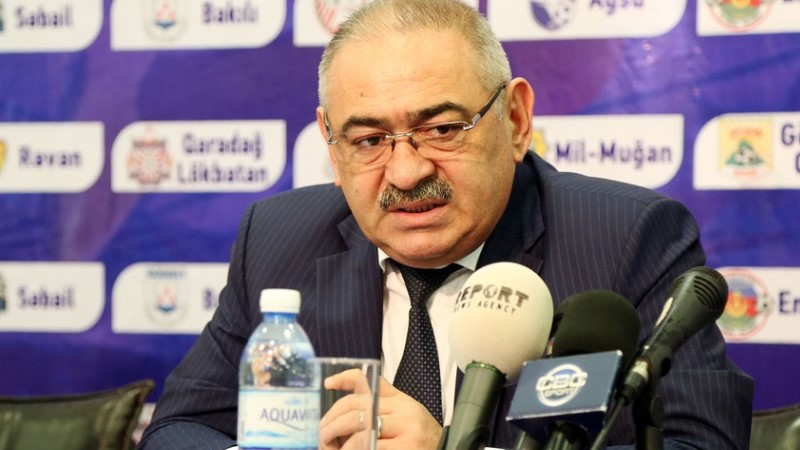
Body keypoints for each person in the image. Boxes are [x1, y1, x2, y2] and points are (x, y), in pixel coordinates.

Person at [138, 0, 754, 449]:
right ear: (332, 144)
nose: (406, 172)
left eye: (441, 129)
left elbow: (702, 444)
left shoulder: (626, 239)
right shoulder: (278, 240)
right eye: (370, 139)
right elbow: (177, 430)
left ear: (515, 120)